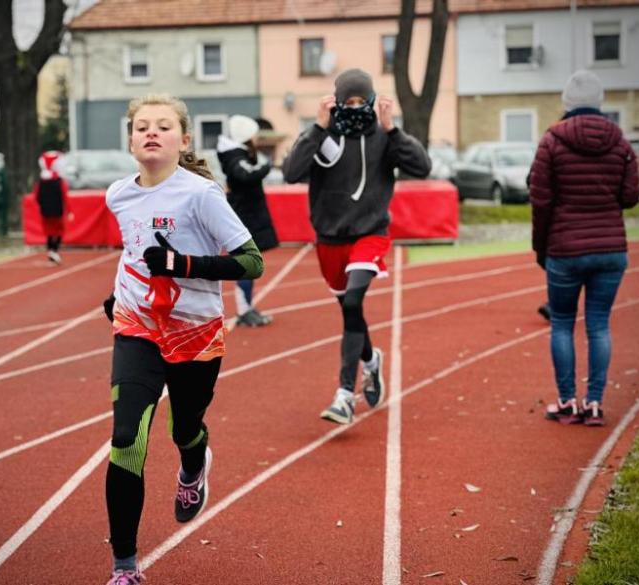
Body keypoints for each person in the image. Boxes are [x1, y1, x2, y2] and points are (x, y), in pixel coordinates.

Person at [101, 93, 264, 584]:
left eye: (164, 126)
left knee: (185, 427)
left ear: (183, 141)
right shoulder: (118, 194)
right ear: (131, 140)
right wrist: (117, 297)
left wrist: (182, 265)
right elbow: (134, 249)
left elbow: (252, 261)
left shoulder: (201, 195)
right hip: (137, 327)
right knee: (127, 436)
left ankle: (195, 463)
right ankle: (125, 568)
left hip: (195, 334)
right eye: (142, 126)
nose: (152, 133)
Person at [282, 68, 431, 424]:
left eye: (359, 102)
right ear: (335, 102)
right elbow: (290, 172)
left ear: (370, 100)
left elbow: (422, 167)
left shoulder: (383, 136)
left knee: (353, 301)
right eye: (345, 102)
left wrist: (393, 128)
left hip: (370, 233)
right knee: (350, 311)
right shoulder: (322, 133)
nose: (353, 108)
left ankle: (345, 395)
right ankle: (371, 361)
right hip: (330, 238)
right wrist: (317, 127)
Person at [530, 70, 639, 427]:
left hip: (565, 248)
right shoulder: (621, 143)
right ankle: (594, 403)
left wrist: (540, 247)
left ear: (566, 102)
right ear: (599, 102)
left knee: (562, 323)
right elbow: (629, 197)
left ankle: (567, 401)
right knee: (599, 325)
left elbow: (540, 199)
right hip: (611, 250)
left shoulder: (551, 142)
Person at [217, 114, 278, 327]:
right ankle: (244, 310)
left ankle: (247, 307)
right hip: (243, 216)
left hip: (247, 214)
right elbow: (245, 175)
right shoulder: (235, 157)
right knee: (247, 263)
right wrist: (267, 166)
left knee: (251, 262)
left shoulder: (237, 154)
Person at [32, 150, 69, 264]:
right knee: (58, 230)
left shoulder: (41, 182)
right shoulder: (60, 181)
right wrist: (69, 211)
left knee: (49, 231)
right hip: (57, 209)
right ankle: (55, 250)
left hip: (45, 210)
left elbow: (36, 196)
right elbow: (65, 195)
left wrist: (42, 204)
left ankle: (50, 249)